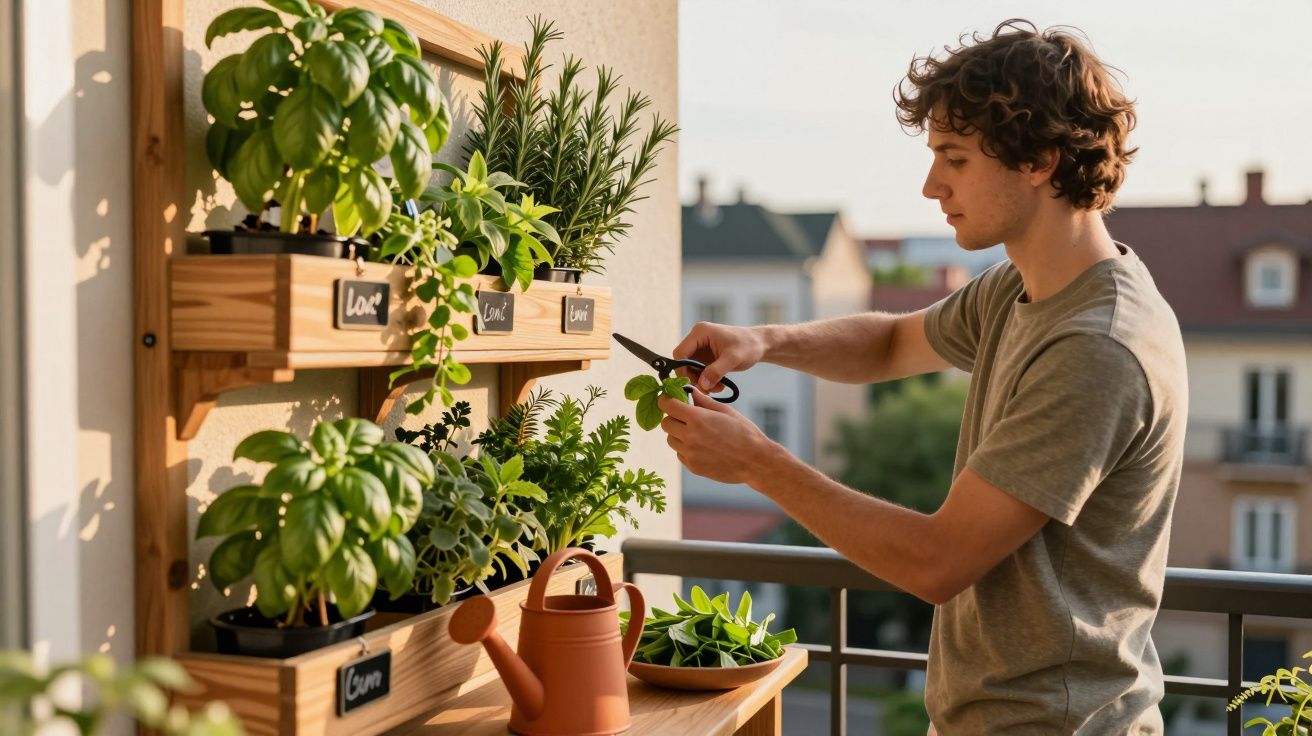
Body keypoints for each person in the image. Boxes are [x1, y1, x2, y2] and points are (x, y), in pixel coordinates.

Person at [657, 19, 1185, 734]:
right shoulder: (1019, 288)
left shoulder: (1098, 346)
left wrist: (757, 462)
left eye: (955, 158)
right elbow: (891, 343)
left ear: (1039, 160)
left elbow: (938, 561)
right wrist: (762, 339)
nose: (932, 184)